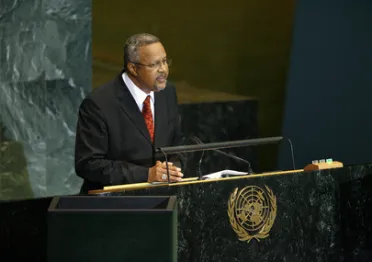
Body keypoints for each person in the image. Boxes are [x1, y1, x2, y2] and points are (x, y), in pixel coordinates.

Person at [74, 33, 184, 194]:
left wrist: (174, 168)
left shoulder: (167, 92)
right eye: (154, 64)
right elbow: (88, 164)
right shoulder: (98, 103)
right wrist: (146, 175)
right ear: (133, 68)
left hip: (162, 202)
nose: (164, 70)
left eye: (165, 61)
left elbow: (177, 142)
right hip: (115, 206)